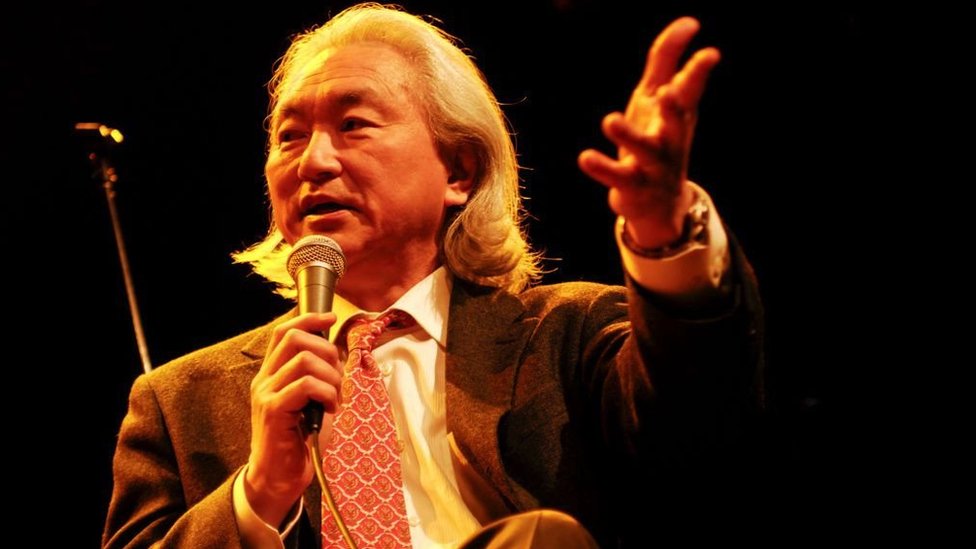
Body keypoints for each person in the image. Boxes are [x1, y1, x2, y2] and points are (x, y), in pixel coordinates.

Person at [103, 4, 763, 548]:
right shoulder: (178, 402)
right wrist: (258, 494)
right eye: (290, 136)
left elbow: (704, 434)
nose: (314, 161)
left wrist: (665, 232)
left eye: (353, 124)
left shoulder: (569, 334)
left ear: (460, 172)